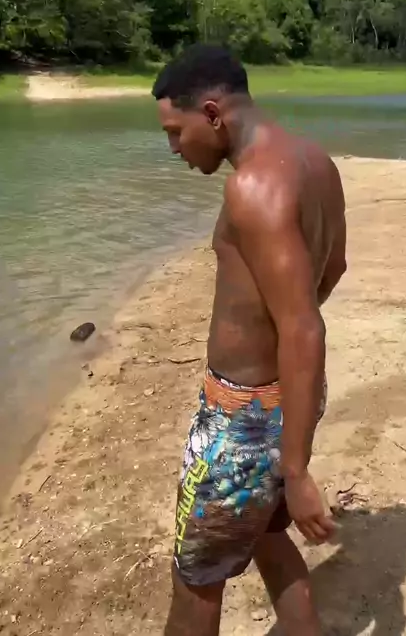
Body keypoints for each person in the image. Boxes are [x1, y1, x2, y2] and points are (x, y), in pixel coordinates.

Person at [152, 43, 347, 636]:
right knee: (264, 532)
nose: (174, 149)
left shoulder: (252, 187)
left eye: (175, 132)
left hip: (241, 423)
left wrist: (297, 471)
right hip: (290, 399)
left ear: (212, 114)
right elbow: (332, 269)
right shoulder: (315, 161)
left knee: (196, 579)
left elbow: (302, 325)